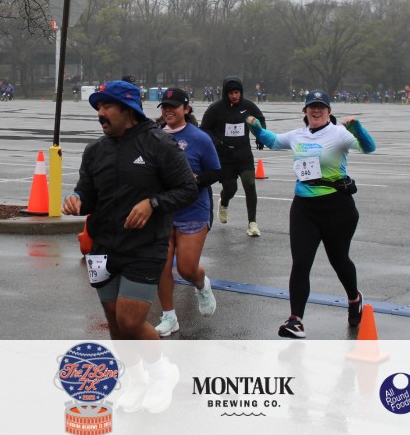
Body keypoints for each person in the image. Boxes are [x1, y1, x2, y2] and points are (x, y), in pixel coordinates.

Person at [61, 79, 197, 412]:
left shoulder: (159, 144)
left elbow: (187, 189)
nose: (100, 113)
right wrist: (76, 199)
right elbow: (87, 192)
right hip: (104, 248)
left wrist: (153, 203)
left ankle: (163, 373)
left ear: (128, 110)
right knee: (114, 320)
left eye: (107, 106)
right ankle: (137, 380)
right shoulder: (95, 150)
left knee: (131, 320)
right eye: (98, 107)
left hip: (145, 247)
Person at [246, 89, 376, 339]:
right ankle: (296, 320)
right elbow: (272, 141)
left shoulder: (339, 134)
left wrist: (358, 129)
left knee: (339, 260)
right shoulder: (298, 135)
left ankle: (354, 298)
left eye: (321, 107)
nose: (316, 111)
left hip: (337, 207)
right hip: (304, 209)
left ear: (329, 111)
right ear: (305, 111)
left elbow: (368, 148)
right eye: (311, 106)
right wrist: (255, 128)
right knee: (301, 263)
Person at [152, 87, 222, 337]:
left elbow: (215, 171)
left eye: (173, 106)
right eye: (165, 106)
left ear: (186, 109)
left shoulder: (200, 138)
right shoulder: (155, 136)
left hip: (193, 211)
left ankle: (202, 284)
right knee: (161, 265)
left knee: (186, 269)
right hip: (163, 212)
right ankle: (169, 317)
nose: (168, 110)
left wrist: (194, 180)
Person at [200, 76, 265, 237]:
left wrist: (260, 135)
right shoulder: (215, 108)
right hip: (225, 157)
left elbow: (260, 120)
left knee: (249, 183)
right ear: (225, 93)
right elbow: (204, 128)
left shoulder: (248, 106)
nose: (235, 96)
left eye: (237, 92)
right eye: (231, 93)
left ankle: (252, 223)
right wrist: (217, 142)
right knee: (231, 188)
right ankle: (224, 202)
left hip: (244, 154)